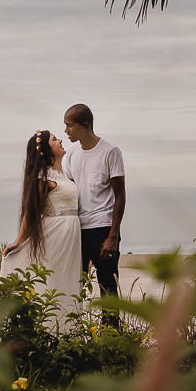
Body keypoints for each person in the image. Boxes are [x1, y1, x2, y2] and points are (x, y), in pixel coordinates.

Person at [1, 130, 82, 325]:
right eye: (54, 139)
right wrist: (18, 242)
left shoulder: (65, 174)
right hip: (55, 235)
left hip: (71, 236)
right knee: (54, 280)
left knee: (68, 280)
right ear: (46, 149)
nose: (60, 140)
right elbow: (31, 213)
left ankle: (68, 328)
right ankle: (47, 327)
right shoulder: (43, 177)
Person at [62, 104, 125, 301]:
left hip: (103, 229)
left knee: (108, 289)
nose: (66, 130)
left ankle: (111, 323)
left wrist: (113, 235)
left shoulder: (110, 151)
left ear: (85, 126)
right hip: (77, 230)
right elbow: (68, 192)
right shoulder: (71, 154)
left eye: (70, 125)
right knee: (73, 288)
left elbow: (120, 194)